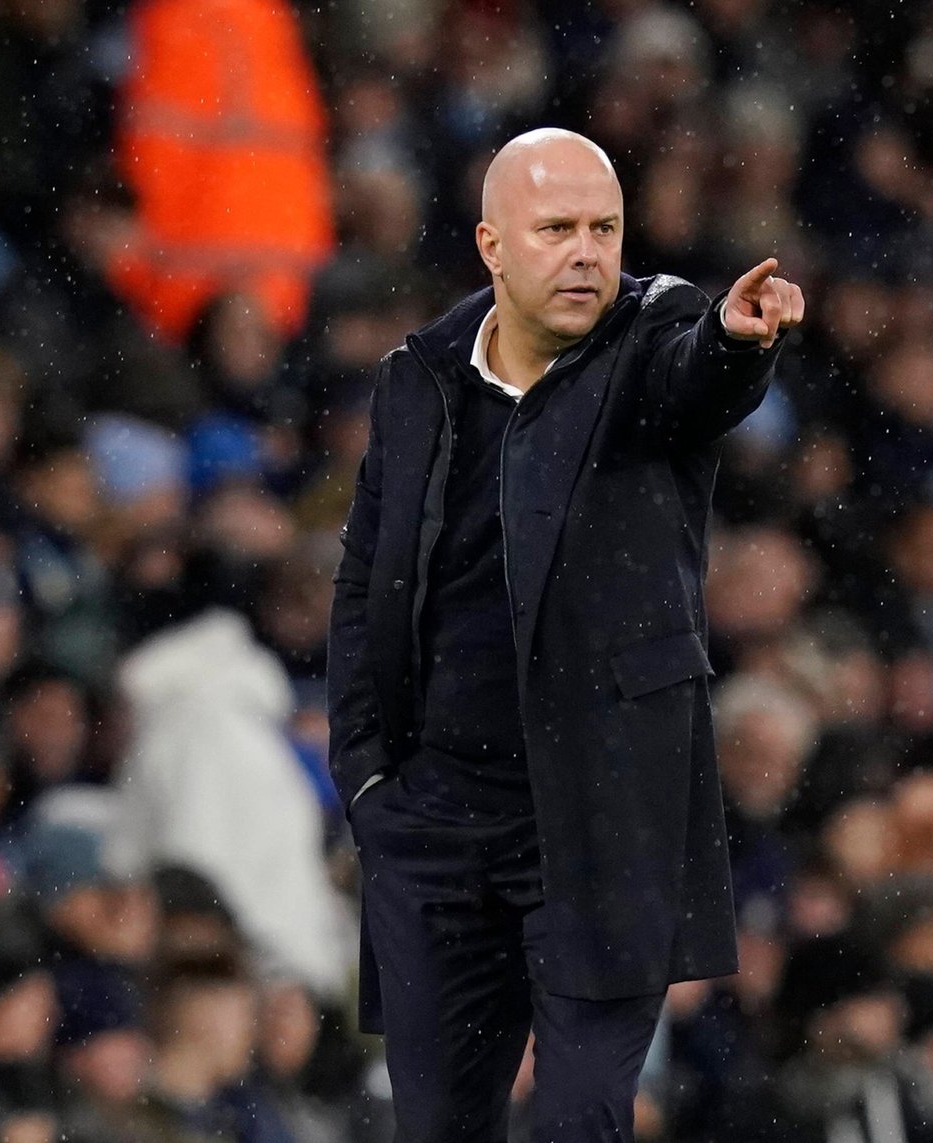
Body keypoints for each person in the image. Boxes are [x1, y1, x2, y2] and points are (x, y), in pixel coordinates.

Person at [325, 126, 803, 1142]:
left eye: (605, 229)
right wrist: (365, 775)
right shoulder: (419, 376)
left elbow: (697, 376)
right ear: (492, 245)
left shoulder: (654, 334)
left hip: (603, 816)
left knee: (580, 1120)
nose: (588, 253)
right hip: (437, 814)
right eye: (557, 230)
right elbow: (368, 583)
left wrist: (736, 341)